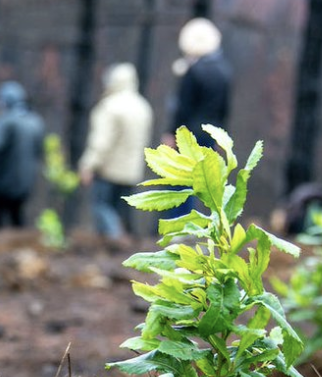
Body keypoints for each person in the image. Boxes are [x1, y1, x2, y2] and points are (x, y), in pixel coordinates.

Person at [162, 17, 233, 221]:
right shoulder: (224, 71)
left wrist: (171, 133)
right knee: (203, 181)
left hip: (189, 134)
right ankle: (201, 223)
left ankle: (180, 222)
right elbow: (224, 109)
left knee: (183, 178)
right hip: (212, 133)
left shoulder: (194, 70)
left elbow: (183, 107)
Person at [78, 63, 153, 246]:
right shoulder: (143, 106)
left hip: (109, 169)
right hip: (131, 171)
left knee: (102, 206)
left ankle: (115, 239)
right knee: (121, 210)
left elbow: (101, 141)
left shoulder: (109, 106)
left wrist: (88, 164)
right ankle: (122, 242)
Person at [0, 81, 45, 229]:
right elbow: (39, 151)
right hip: (27, 182)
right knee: (17, 214)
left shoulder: (5, 122)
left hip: (5, 181)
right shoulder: (36, 122)